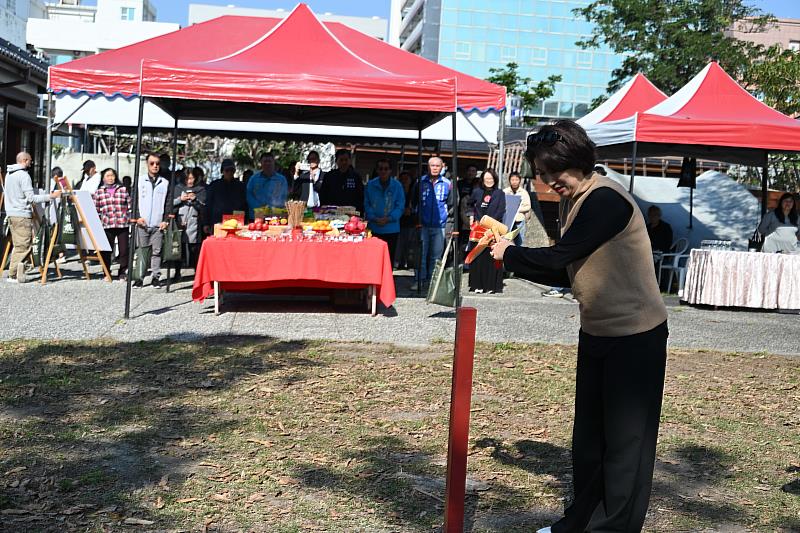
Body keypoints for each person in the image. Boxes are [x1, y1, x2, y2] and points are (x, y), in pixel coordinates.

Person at [490, 121, 668, 533]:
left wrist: (510, 255)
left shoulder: (605, 200)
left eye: (557, 173)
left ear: (581, 162)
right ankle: (579, 522)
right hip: (598, 332)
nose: (552, 182)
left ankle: (612, 528)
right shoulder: (573, 200)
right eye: (544, 174)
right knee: (589, 443)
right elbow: (567, 271)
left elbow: (557, 258)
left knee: (625, 447)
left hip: (636, 337)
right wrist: (515, 258)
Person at [3, 152, 61, 282]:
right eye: (30, 160)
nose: (31, 163)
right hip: (22, 214)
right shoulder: (24, 175)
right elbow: (31, 198)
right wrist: (51, 196)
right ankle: (13, 274)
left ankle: (17, 271)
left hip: (12, 213)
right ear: (24, 160)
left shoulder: (9, 174)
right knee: (23, 246)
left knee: (19, 245)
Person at [410, 156, 453, 290]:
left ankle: (432, 282)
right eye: (432, 165)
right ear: (427, 167)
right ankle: (419, 281)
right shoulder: (420, 182)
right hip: (422, 224)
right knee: (421, 255)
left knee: (436, 256)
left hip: (440, 225)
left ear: (442, 167)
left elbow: (452, 205)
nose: (434, 168)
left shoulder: (448, 183)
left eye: (437, 166)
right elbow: (413, 202)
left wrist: (447, 220)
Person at [134, 153, 172, 288]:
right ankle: (139, 276)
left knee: (157, 252)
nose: (155, 166)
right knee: (142, 251)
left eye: (157, 163)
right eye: (152, 163)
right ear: (147, 164)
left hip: (157, 222)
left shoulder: (165, 182)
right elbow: (134, 200)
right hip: (143, 222)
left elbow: (168, 203)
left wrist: (166, 219)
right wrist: (137, 216)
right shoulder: (140, 180)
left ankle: (155, 277)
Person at [468, 168, 506, 294]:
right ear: (482, 180)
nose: (488, 181)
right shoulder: (477, 191)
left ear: (494, 179)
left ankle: (491, 286)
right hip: (478, 229)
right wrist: (471, 218)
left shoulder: (499, 193)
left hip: (492, 229)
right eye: (486, 179)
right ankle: (477, 285)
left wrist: (492, 225)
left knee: (491, 258)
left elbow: (501, 210)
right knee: (478, 257)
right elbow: (469, 205)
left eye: (490, 179)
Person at [364, 159, 405, 267]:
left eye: (386, 169)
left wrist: (389, 218)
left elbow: (400, 206)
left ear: (390, 170)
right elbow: (366, 204)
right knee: (373, 260)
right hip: (374, 227)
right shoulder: (370, 185)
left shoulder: (397, 186)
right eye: (380, 169)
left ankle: (387, 283)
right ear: (377, 170)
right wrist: (374, 218)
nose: (383, 171)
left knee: (389, 260)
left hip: (391, 229)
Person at [92, 168, 131, 280]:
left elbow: (129, 205)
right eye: (108, 176)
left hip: (122, 223)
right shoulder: (99, 192)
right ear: (103, 178)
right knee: (107, 250)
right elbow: (96, 209)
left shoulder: (122, 189)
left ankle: (123, 272)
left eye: (112, 175)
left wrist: (128, 217)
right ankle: (106, 272)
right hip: (107, 224)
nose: (110, 178)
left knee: (124, 250)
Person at [172, 167, 207, 279]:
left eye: (192, 178)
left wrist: (195, 199)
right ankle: (177, 272)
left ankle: (196, 272)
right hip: (180, 221)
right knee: (178, 248)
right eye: (187, 178)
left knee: (194, 249)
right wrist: (180, 199)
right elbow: (170, 204)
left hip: (194, 222)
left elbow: (204, 206)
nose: (190, 181)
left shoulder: (200, 189)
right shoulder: (178, 188)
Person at [204, 159, 247, 231]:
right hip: (218, 221)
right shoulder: (214, 185)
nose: (229, 172)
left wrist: (246, 221)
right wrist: (206, 223)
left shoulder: (240, 186)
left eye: (232, 170)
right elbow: (208, 204)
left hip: (236, 222)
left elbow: (245, 205)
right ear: (222, 171)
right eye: (227, 170)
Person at [319, 149, 364, 214]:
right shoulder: (329, 176)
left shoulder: (356, 177)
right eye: (341, 160)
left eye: (346, 160)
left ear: (350, 161)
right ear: (336, 161)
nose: (344, 162)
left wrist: (360, 213)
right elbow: (323, 195)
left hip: (351, 213)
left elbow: (361, 196)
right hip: (331, 213)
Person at [246, 152, 288, 221]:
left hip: (275, 217)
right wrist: (260, 208)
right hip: (257, 217)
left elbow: (283, 197)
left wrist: (270, 209)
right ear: (261, 163)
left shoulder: (281, 179)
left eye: (269, 161)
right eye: (265, 161)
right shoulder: (253, 179)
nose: (267, 164)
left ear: (274, 162)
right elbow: (249, 195)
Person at [503, 171, 532, 247]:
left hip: (519, 221)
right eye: (512, 180)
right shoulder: (505, 191)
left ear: (519, 180)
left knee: (519, 242)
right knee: (504, 240)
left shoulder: (523, 192)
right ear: (509, 180)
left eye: (516, 180)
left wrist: (516, 209)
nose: (514, 182)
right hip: (507, 221)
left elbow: (528, 206)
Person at [394, 171, 415, 269]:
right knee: (399, 244)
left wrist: (411, 210)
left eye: (406, 179)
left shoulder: (414, 192)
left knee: (409, 243)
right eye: (402, 179)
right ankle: (398, 262)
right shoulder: (396, 191)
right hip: (398, 221)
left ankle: (407, 262)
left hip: (410, 221)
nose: (404, 181)